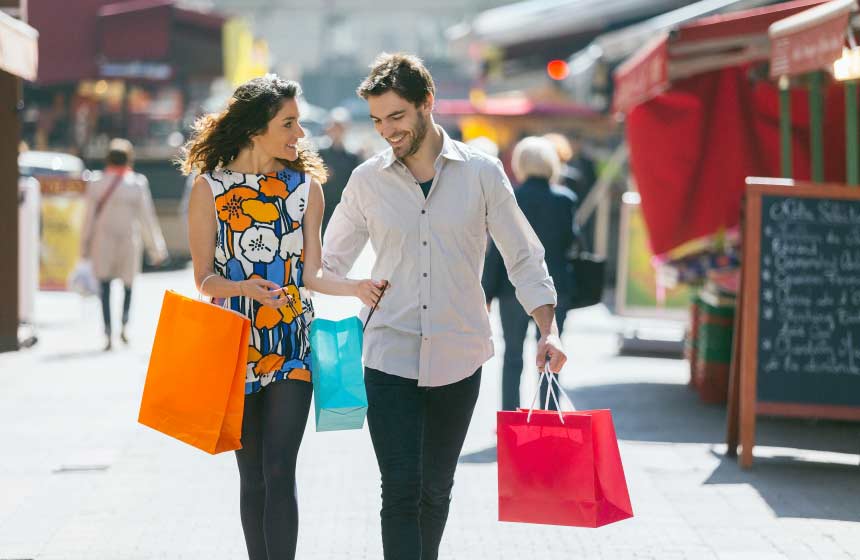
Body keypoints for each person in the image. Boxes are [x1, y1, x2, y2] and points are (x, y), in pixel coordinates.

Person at [322, 53, 567, 560]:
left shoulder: (482, 173)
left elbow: (523, 255)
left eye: (396, 116)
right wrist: (355, 288)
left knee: (436, 489)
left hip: (459, 354)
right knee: (401, 489)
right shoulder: (368, 180)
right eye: (377, 120)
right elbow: (327, 262)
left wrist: (549, 330)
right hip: (388, 352)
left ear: (426, 103)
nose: (387, 130)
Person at [179, 75, 384, 560]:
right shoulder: (209, 189)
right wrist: (241, 288)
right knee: (251, 477)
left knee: (279, 469)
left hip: (293, 344)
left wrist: (355, 286)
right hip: (235, 345)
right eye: (288, 124)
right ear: (256, 128)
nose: (300, 134)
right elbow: (203, 279)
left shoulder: (306, 189)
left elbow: (312, 275)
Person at [483, 136, 578, 411]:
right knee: (551, 354)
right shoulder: (565, 199)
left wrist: (486, 292)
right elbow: (572, 242)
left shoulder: (511, 197)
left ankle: (509, 419)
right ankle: (549, 416)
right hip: (554, 289)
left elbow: (497, 251)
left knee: (512, 356)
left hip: (511, 288)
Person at [80, 138, 167, 351]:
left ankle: (109, 330)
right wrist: (157, 248)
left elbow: (88, 217)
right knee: (129, 284)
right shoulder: (137, 183)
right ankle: (125, 325)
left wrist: (83, 246)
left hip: (103, 239)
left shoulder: (97, 182)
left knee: (105, 285)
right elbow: (147, 218)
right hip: (129, 239)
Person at [317, 107, 361, 234]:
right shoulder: (321, 153)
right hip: (323, 206)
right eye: (334, 127)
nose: (336, 131)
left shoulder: (352, 157)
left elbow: (356, 183)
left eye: (340, 127)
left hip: (343, 207)